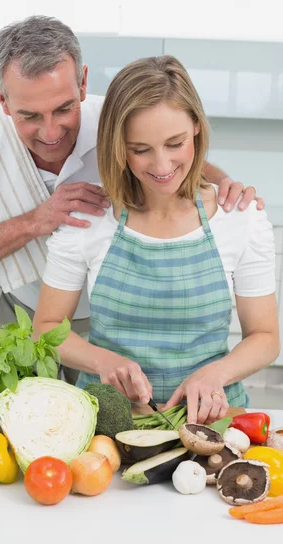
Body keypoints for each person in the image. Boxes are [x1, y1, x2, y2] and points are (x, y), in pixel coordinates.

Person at [0, 16, 262, 386]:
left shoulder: (117, 123)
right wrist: (36, 220)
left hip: (110, 322)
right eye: (29, 116)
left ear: (83, 83)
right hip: (21, 309)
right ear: (2, 97)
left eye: (64, 109)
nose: (50, 133)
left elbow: (175, 153)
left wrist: (226, 184)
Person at [33, 55, 280, 423]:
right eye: (140, 150)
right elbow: (46, 328)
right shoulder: (89, 218)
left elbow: (264, 336)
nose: (162, 167)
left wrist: (215, 374)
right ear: (118, 146)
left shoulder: (240, 217)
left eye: (175, 143)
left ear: (196, 127)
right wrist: (104, 361)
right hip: (106, 420)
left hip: (211, 417)